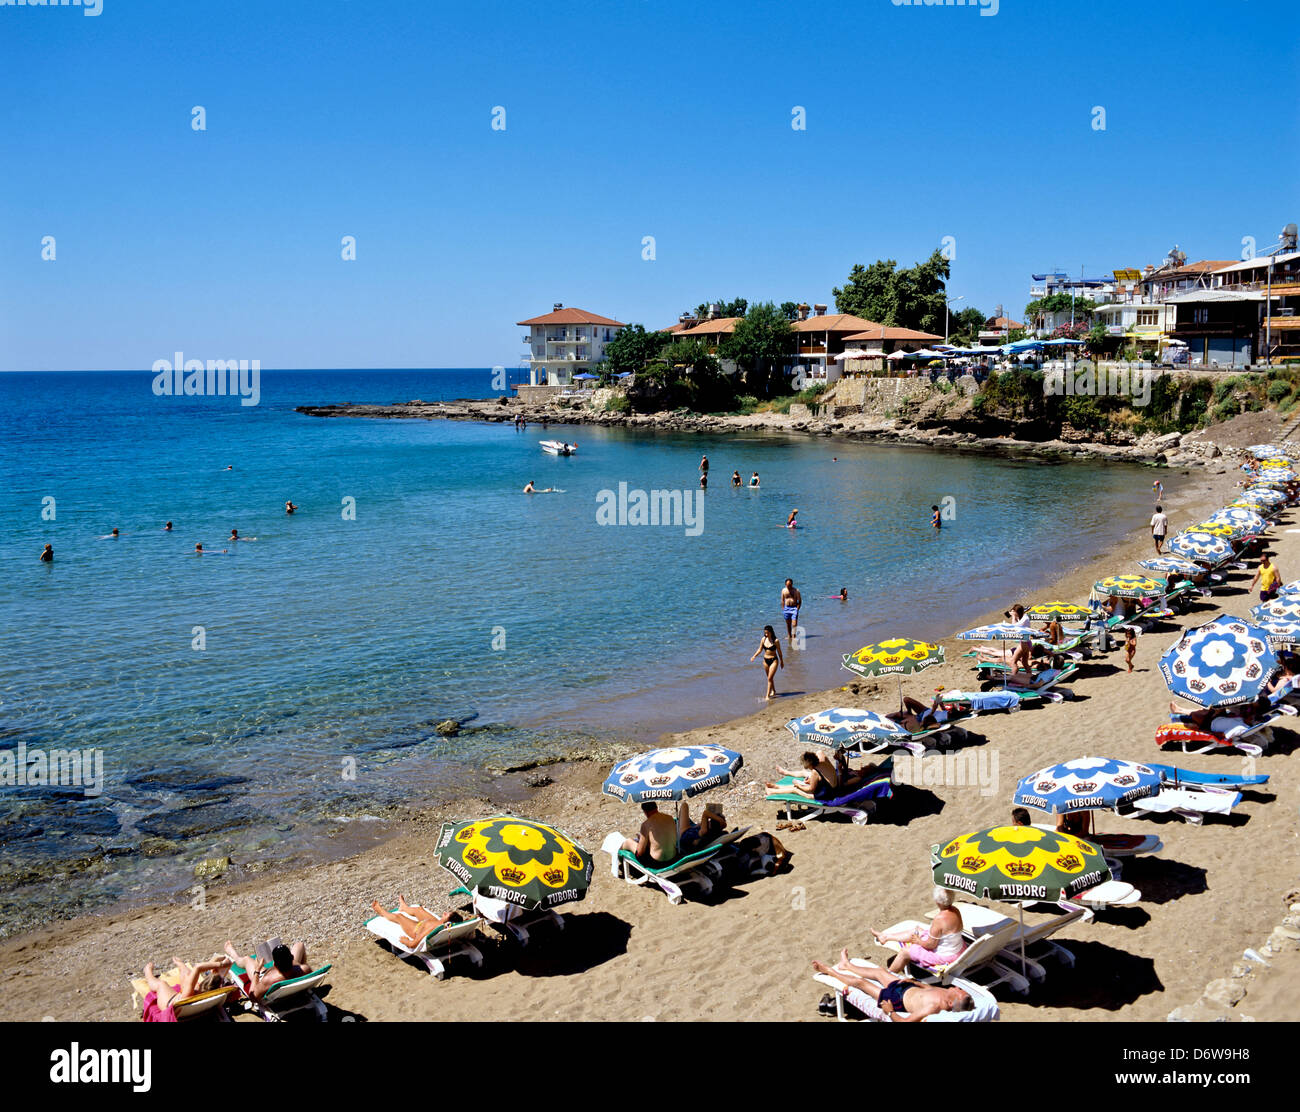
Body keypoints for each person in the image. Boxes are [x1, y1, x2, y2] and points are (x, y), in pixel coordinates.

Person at [811, 953, 972, 1021]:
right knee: (880, 972)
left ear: (951, 1003)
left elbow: (906, 1021)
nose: (957, 988)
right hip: (906, 987)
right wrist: (914, 983)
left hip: (895, 999)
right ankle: (847, 965)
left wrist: (890, 1011)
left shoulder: (933, 1007)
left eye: (959, 991)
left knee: (861, 983)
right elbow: (927, 989)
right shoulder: (945, 993)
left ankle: (829, 971)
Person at [870, 888, 968, 973]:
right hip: (956, 948)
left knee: (904, 952)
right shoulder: (955, 910)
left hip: (945, 955)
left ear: (937, 902)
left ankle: (888, 975)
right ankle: (885, 937)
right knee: (915, 931)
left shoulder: (939, 919)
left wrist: (918, 941)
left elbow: (931, 945)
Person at [140, 956, 231, 1022]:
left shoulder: (189, 993)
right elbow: (216, 978)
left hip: (171, 1004)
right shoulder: (217, 993)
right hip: (192, 1007)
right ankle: (181, 965)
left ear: (200, 986)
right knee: (188, 975)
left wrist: (221, 964)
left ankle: (148, 972)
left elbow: (198, 967)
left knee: (161, 984)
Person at [223, 940, 312, 1001]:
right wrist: (296, 965)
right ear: (291, 958)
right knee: (299, 945)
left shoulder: (268, 981)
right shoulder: (305, 969)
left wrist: (257, 971)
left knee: (246, 959)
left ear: (274, 964)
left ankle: (233, 954)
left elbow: (253, 997)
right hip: (294, 976)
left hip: (265, 976)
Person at [369, 896, 463, 948]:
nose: (444, 912)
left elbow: (414, 943)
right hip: (428, 923)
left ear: (449, 921)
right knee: (419, 909)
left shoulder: (433, 928)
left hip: (416, 929)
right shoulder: (441, 924)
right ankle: (404, 907)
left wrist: (406, 942)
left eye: (446, 914)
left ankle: (382, 912)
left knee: (399, 916)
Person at [765, 751, 837, 801]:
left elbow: (810, 789)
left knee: (795, 789)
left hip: (826, 795)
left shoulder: (815, 772)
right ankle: (777, 787)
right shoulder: (822, 758)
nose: (809, 769)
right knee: (803, 784)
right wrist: (810, 781)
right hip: (833, 788)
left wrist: (799, 786)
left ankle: (772, 792)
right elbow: (823, 778)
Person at [750, 624, 783, 699]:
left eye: (767, 633)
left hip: (774, 660)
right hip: (765, 661)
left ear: (771, 632)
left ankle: (767, 696)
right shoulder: (763, 639)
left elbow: (779, 652)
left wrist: (781, 661)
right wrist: (754, 656)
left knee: (769, 678)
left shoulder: (776, 641)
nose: (766, 634)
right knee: (770, 678)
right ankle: (773, 690)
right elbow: (760, 649)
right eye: (765, 633)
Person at [780, 578, 802, 643]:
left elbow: (800, 601)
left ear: (792, 584)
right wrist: (783, 609)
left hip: (794, 608)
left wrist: (797, 609)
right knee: (788, 624)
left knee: (794, 624)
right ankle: (789, 636)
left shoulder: (796, 591)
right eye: (787, 585)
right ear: (785, 584)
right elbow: (782, 600)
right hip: (786, 608)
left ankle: (794, 636)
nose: (788, 586)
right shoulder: (783, 590)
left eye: (789, 585)